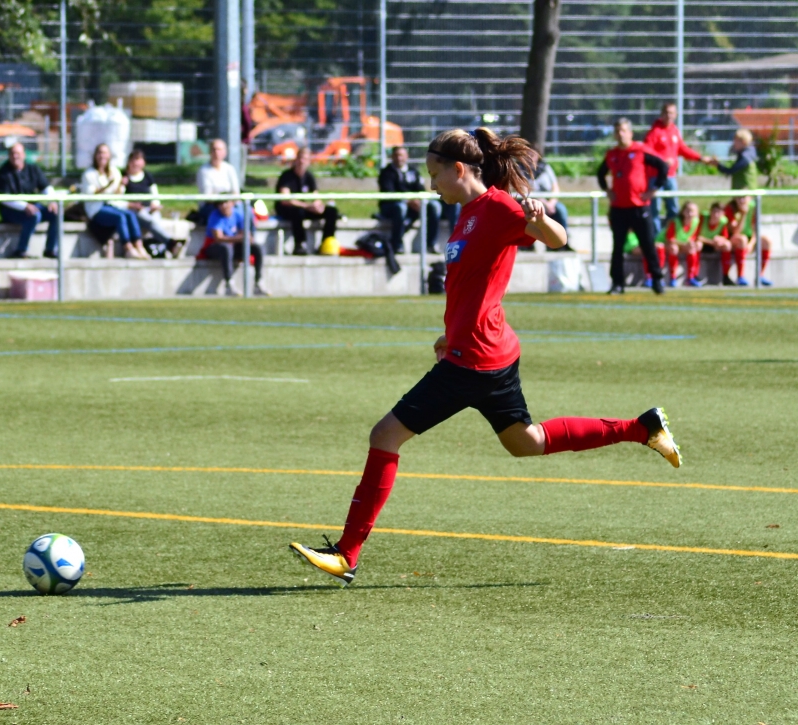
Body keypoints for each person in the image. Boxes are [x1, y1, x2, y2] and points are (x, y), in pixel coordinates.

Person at [288, 128, 681, 586]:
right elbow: (473, 285)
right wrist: (450, 332)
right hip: (485, 351)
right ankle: (642, 428)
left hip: (473, 360)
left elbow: (557, 239)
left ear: (459, 170)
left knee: (385, 435)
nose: (431, 184)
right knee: (525, 442)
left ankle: (347, 553)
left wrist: (540, 217)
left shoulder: (497, 207)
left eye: (435, 174)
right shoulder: (468, 212)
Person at [597, 118, 669, 295]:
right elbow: (600, 173)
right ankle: (617, 283)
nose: (620, 134)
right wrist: (607, 190)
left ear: (630, 133)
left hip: (639, 207)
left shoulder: (640, 150)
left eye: (623, 130)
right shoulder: (612, 154)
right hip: (619, 208)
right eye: (617, 131)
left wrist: (653, 189)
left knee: (648, 244)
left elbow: (663, 167)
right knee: (618, 247)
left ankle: (657, 280)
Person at [643, 102, 711, 235]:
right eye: (667, 113)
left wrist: (700, 158)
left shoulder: (674, 130)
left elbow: (682, 149)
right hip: (655, 177)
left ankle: (671, 235)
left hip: (670, 176)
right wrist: (662, 161)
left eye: (672, 113)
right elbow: (646, 152)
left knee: (673, 208)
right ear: (662, 114)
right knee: (655, 209)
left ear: (676, 115)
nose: (669, 116)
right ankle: (656, 238)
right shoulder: (654, 132)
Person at [81, 143, 148, 260]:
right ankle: (128, 248)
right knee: (120, 217)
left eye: (105, 153)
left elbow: (117, 194)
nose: (102, 156)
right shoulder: (89, 174)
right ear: (95, 155)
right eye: (100, 153)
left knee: (130, 214)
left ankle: (139, 246)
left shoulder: (114, 171)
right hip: (97, 209)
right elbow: (91, 194)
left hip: (112, 205)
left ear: (109, 155)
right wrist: (107, 186)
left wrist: (121, 185)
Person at [0, 143, 60, 259]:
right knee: (34, 215)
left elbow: (45, 187)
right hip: (11, 210)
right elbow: (5, 198)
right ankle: (21, 250)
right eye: (12, 153)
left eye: (18, 153)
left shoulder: (33, 168)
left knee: (55, 213)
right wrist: (25, 206)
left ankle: (50, 249)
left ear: (24, 155)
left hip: (32, 207)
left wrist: (52, 201)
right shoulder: (3, 173)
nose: (15, 156)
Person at [378, 145, 443, 254]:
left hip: (413, 206)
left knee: (434, 206)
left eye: (401, 155)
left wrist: (418, 201)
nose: (399, 158)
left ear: (406, 156)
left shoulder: (413, 172)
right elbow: (389, 192)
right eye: (396, 155)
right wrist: (408, 201)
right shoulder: (386, 173)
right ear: (392, 157)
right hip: (392, 206)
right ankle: (397, 245)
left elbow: (421, 190)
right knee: (401, 208)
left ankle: (431, 244)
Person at [274, 146, 339, 255]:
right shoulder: (287, 176)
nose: (302, 161)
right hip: (288, 210)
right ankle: (300, 244)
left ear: (309, 161)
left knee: (332, 211)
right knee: (297, 212)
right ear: (296, 159)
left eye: (305, 159)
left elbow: (316, 196)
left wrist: (318, 206)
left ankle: (326, 243)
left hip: (305, 208)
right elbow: (285, 199)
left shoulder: (309, 176)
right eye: (300, 158)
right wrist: (307, 206)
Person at [200, 199, 268, 297]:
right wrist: (239, 238)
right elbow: (218, 238)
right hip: (214, 248)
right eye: (220, 203)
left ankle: (258, 283)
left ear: (232, 203)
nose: (223, 206)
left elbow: (246, 233)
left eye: (226, 202)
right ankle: (229, 285)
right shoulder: (215, 216)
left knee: (257, 248)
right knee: (226, 248)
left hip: (233, 246)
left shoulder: (238, 214)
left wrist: (246, 237)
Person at [121, 149, 180, 257]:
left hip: (149, 209)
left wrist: (155, 205)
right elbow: (119, 197)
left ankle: (163, 248)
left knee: (155, 219)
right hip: (133, 210)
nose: (135, 163)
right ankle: (170, 243)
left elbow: (154, 194)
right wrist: (131, 204)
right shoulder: (123, 176)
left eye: (138, 160)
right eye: (133, 160)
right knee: (149, 220)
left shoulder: (147, 176)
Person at [723, 196, 772, 286]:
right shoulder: (730, 209)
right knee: (742, 239)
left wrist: (751, 243)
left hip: (749, 238)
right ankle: (740, 276)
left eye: (744, 197)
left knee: (766, 241)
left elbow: (755, 229)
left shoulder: (753, 207)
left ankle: (760, 276)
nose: (742, 200)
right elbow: (735, 232)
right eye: (739, 198)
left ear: (749, 198)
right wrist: (743, 214)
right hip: (734, 239)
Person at [529, 155, 572, 251]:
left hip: (549, 202)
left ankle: (563, 244)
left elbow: (555, 187)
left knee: (561, 210)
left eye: (533, 154)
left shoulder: (546, 167)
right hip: (532, 201)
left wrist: (552, 202)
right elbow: (525, 190)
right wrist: (543, 202)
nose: (531, 156)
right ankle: (531, 245)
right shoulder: (520, 169)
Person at [195, 138, 240, 224]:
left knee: (246, 212)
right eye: (214, 149)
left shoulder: (230, 169)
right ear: (210, 152)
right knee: (218, 216)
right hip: (211, 206)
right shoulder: (203, 170)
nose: (216, 152)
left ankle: (248, 232)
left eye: (219, 149)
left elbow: (235, 192)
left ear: (225, 152)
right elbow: (207, 196)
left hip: (230, 204)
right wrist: (222, 204)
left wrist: (228, 204)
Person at [662, 201, 701, 288]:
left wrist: (695, 243)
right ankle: (673, 278)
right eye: (687, 211)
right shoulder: (675, 222)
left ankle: (691, 278)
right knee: (674, 248)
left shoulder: (696, 222)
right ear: (683, 212)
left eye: (692, 211)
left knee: (692, 249)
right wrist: (684, 244)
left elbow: (695, 237)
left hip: (682, 245)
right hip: (666, 243)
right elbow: (669, 239)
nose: (690, 214)